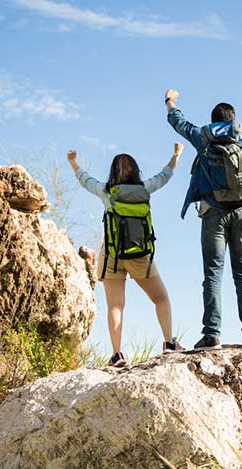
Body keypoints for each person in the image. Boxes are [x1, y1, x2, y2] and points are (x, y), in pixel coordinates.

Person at [165, 88, 242, 351]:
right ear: (234, 119)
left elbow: (178, 122)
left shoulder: (204, 137)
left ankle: (212, 336)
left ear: (214, 121)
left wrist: (170, 101)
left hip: (214, 212)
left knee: (213, 274)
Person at [66, 145, 185, 366]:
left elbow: (85, 180)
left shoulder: (106, 191)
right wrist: (175, 156)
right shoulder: (145, 189)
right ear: (135, 171)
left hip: (112, 253)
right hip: (140, 254)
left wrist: (73, 162)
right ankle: (169, 343)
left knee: (115, 305)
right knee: (160, 298)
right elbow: (164, 176)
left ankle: (117, 354)